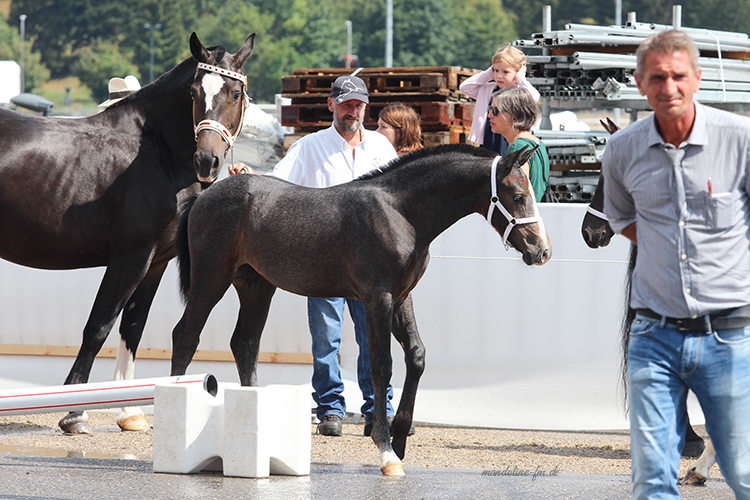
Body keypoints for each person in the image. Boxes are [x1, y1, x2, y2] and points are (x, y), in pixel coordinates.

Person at [602, 29, 750, 499]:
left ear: (697, 78)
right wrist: (666, 244)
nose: (669, 87)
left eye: (678, 76)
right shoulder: (622, 149)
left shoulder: (740, 140)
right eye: (657, 77)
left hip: (729, 336)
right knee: (651, 481)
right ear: (640, 83)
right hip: (653, 336)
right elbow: (621, 217)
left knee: (744, 472)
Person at [269, 75, 398, 437]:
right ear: (331, 105)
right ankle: (330, 408)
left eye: (358, 105)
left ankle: (378, 408)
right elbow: (277, 183)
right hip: (324, 258)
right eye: (346, 105)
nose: (352, 111)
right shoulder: (309, 146)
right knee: (327, 338)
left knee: (373, 336)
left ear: (366, 107)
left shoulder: (381, 147)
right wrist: (248, 176)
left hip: (371, 261)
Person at [460, 43, 540, 155]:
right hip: (489, 137)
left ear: (518, 72)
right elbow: (464, 87)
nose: (499, 76)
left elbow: (534, 97)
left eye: (505, 72)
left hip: (510, 139)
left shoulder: (519, 93)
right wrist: (489, 73)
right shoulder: (487, 89)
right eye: (496, 71)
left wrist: (521, 77)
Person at [488, 87, 549, 202]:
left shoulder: (518, 147)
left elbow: (517, 194)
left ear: (515, 115)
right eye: (490, 109)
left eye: (495, 111)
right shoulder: (537, 143)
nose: (490, 115)